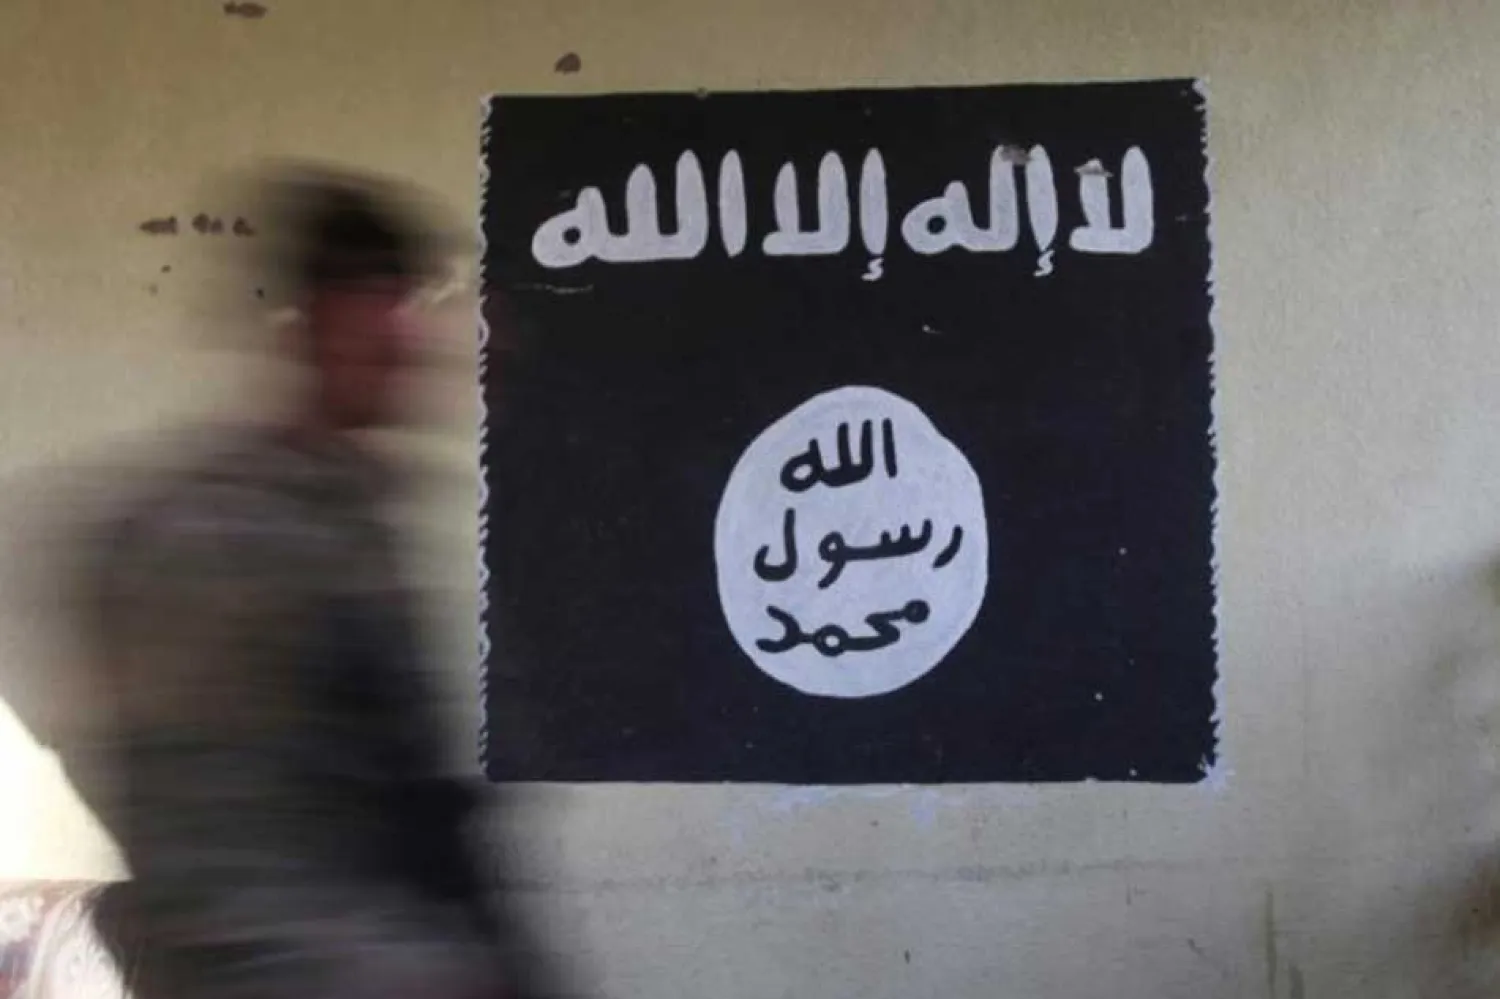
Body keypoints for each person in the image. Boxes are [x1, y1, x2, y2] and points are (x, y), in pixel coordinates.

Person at [69, 165, 533, 999]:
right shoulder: (207, 538)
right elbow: (223, 880)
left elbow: (412, 819)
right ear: (318, 316)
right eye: (391, 302)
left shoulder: (353, 515)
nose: (416, 339)